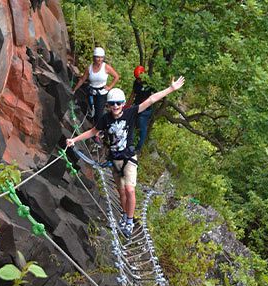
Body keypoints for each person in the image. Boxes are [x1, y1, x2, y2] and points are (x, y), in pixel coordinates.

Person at [66, 76, 185, 237]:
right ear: (108, 105)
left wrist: (170, 89)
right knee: (121, 192)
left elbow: (150, 100)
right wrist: (74, 139)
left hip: (128, 158)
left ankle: (129, 221)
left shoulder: (130, 113)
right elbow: (93, 132)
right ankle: (124, 215)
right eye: (112, 104)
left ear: (123, 104)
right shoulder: (105, 119)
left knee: (130, 190)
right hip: (114, 160)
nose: (115, 106)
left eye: (118, 103)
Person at [72, 47, 120, 124]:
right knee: (91, 110)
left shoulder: (106, 67)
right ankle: (95, 125)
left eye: (101, 57)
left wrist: (109, 87)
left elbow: (116, 76)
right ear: (94, 58)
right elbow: (82, 79)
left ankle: (98, 130)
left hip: (102, 93)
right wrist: (74, 89)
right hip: (91, 92)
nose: (99, 59)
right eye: (98, 57)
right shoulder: (89, 68)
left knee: (99, 112)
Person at [128, 66, 153, 151]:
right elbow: (133, 94)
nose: (138, 80)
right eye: (137, 78)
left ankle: (138, 148)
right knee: (130, 124)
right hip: (136, 107)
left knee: (142, 129)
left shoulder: (149, 84)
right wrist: (127, 106)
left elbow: (154, 97)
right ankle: (129, 143)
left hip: (145, 110)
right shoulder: (136, 83)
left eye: (139, 78)